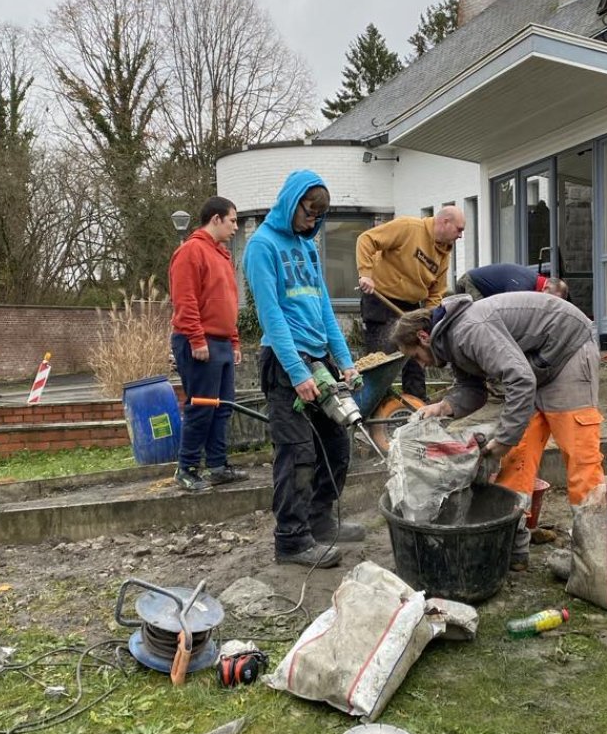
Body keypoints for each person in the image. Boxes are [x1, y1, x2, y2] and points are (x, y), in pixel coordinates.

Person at [391, 291, 605, 568]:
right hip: (534, 366)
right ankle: (513, 551)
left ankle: (595, 557)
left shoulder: (470, 330)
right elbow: (472, 389)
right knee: (518, 457)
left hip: (567, 352)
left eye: (416, 356)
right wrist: (443, 407)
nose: (420, 364)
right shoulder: (451, 343)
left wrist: (504, 438)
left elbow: (519, 378)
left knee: (579, 454)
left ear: (423, 336)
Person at [243, 169, 365, 569]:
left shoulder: (308, 246)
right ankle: (292, 540)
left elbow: (324, 306)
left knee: (337, 446)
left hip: (320, 358)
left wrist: (344, 360)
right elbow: (271, 314)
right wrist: (298, 373)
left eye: (317, 216)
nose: (311, 221)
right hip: (285, 362)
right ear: (291, 202)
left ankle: (320, 520)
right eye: (307, 212)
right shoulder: (262, 246)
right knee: (298, 455)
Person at [169, 196, 248, 493]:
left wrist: (234, 339)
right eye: (232, 220)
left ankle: (218, 466)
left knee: (223, 407)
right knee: (201, 407)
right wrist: (196, 339)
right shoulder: (191, 251)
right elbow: (185, 299)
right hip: (200, 343)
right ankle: (186, 468)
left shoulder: (222, 255)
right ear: (215, 219)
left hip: (222, 343)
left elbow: (228, 301)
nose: (236, 227)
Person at [356, 206, 465, 401]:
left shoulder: (443, 253)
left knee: (416, 361)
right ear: (445, 222)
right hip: (381, 301)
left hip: (411, 308)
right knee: (381, 364)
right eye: (459, 229)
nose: (460, 236)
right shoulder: (408, 227)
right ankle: (375, 418)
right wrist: (366, 274)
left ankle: (417, 413)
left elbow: (435, 293)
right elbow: (366, 240)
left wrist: (429, 322)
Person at [456, 263, 569, 302]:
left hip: (479, 285)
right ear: (546, 289)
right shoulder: (522, 286)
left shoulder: (532, 281)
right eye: (553, 300)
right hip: (470, 283)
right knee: (483, 320)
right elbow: (509, 309)